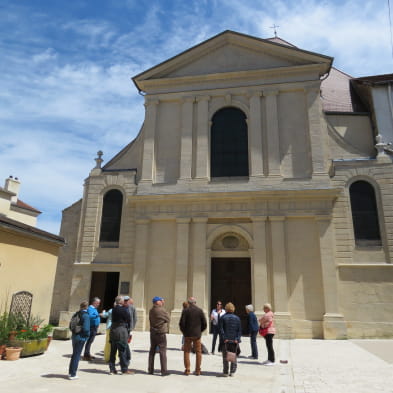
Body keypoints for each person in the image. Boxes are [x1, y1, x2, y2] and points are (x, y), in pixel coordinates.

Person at [179, 296, 207, 376]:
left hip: (187, 335)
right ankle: (198, 370)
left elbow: (181, 324)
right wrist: (200, 331)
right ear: (195, 302)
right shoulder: (199, 310)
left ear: (189, 303)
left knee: (186, 351)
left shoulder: (185, 311)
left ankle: (187, 369)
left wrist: (184, 332)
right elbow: (204, 324)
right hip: (197, 335)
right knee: (198, 352)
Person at [109, 295, 133, 375]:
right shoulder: (123, 309)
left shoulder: (113, 309)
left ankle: (112, 369)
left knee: (113, 351)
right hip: (121, 331)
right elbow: (128, 319)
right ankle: (124, 369)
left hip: (113, 330)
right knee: (122, 350)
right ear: (120, 301)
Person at [148, 296, 170, 376]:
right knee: (162, 351)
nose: (162, 302)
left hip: (153, 332)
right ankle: (164, 371)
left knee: (152, 351)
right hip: (161, 332)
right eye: (161, 301)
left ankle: (150, 369)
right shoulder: (162, 310)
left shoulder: (151, 310)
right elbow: (168, 319)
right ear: (157, 302)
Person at [68, 301, 90, 380]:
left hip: (74, 336)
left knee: (74, 354)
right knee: (77, 355)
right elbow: (86, 328)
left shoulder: (76, 314)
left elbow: (70, 325)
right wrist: (87, 336)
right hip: (81, 337)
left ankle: (70, 372)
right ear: (86, 307)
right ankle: (73, 374)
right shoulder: (86, 315)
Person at [219, 302, 242, 377]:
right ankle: (232, 371)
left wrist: (224, 338)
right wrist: (237, 339)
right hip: (234, 340)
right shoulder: (237, 318)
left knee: (225, 356)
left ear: (226, 309)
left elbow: (221, 330)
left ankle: (225, 372)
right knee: (233, 356)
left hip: (226, 340)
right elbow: (239, 330)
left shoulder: (222, 317)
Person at [123, 296, 137, 367]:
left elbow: (135, 318)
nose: (125, 301)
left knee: (126, 342)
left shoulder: (132, 307)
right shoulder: (121, 307)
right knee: (124, 343)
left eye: (127, 300)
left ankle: (125, 358)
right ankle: (125, 358)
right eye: (125, 300)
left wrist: (132, 327)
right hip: (122, 329)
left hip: (128, 328)